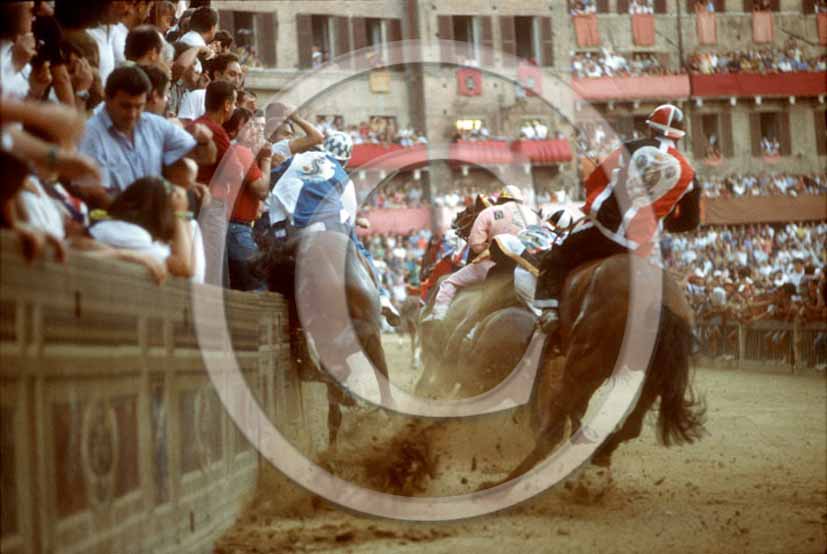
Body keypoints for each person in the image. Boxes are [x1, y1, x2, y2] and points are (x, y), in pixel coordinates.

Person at [535, 103, 700, 334]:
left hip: (604, 233)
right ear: (679, 136)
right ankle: (688, 331)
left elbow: (598, 180)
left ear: (652, 129)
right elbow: (690, 221)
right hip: (642, 246)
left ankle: (549, 310)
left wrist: (596, 207)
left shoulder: (631, 148)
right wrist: (665, 220)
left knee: (558, 253)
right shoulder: (690, 174)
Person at [265, 131, 400, 324]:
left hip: (299, 228)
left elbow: (277, 190)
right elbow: (349, 213)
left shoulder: (297, 159)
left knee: (275, 261)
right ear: (345, 160)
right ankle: (382, 296)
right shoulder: (343, 176)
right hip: (334, 226)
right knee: (360, 249)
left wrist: (278, 233)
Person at [77, 65, 216, 201]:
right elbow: (92, 192)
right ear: (107, 99)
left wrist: (204, 141)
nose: (132, 114)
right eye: (125, 106)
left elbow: (207, 157)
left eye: (139, 106)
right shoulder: (91, 134)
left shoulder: (153, 124)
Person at [426, 186, 538, 321]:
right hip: (527, 268)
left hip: (491, 266)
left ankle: (438, 317)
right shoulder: (533, 215)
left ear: (501, 199)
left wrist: (491, 246)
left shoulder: (489, 212)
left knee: (449, 283)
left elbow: (476, 245)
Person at [178, 53, 243, 122]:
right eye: (232, 74)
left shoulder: (235, 107)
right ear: (217, 75)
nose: (237, 80)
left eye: (239, 76)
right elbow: (184, 125)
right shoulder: (197, 96)